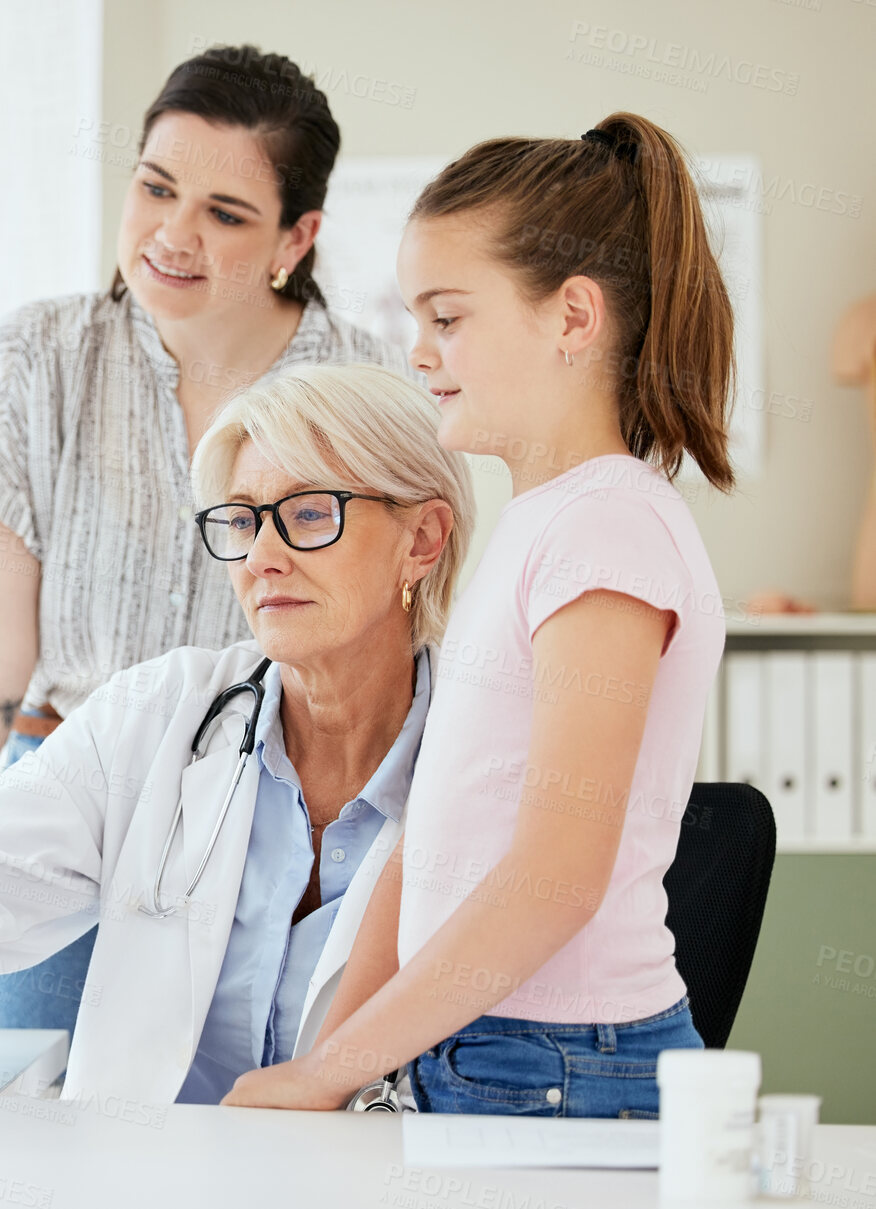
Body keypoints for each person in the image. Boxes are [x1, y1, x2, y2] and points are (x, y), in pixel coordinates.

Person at [0, 44, 406, 1037]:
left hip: (267, 817)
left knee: (249, 1147)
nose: (169, 235)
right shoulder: (41, 355)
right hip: (65, 809)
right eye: (154, 188)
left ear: (296, 236)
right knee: (27, 1139)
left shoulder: (368, 388)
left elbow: (398, 647)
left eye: (224, 215)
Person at [0, 363, 474, 1104]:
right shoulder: (160, 713)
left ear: (422, 539)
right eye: (245, 520)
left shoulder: (492, 759)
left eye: (311, 513)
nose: (261, 556)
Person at [223, 114, 732, 1118]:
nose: (418, 351)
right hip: (483, 1048)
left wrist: (323, 1072)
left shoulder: (607, 532)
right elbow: (433, 840)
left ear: (571, 319)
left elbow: (554, 877)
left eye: (446, 318)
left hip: (554, 1062)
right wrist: (327, 1063)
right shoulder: (542, 524)